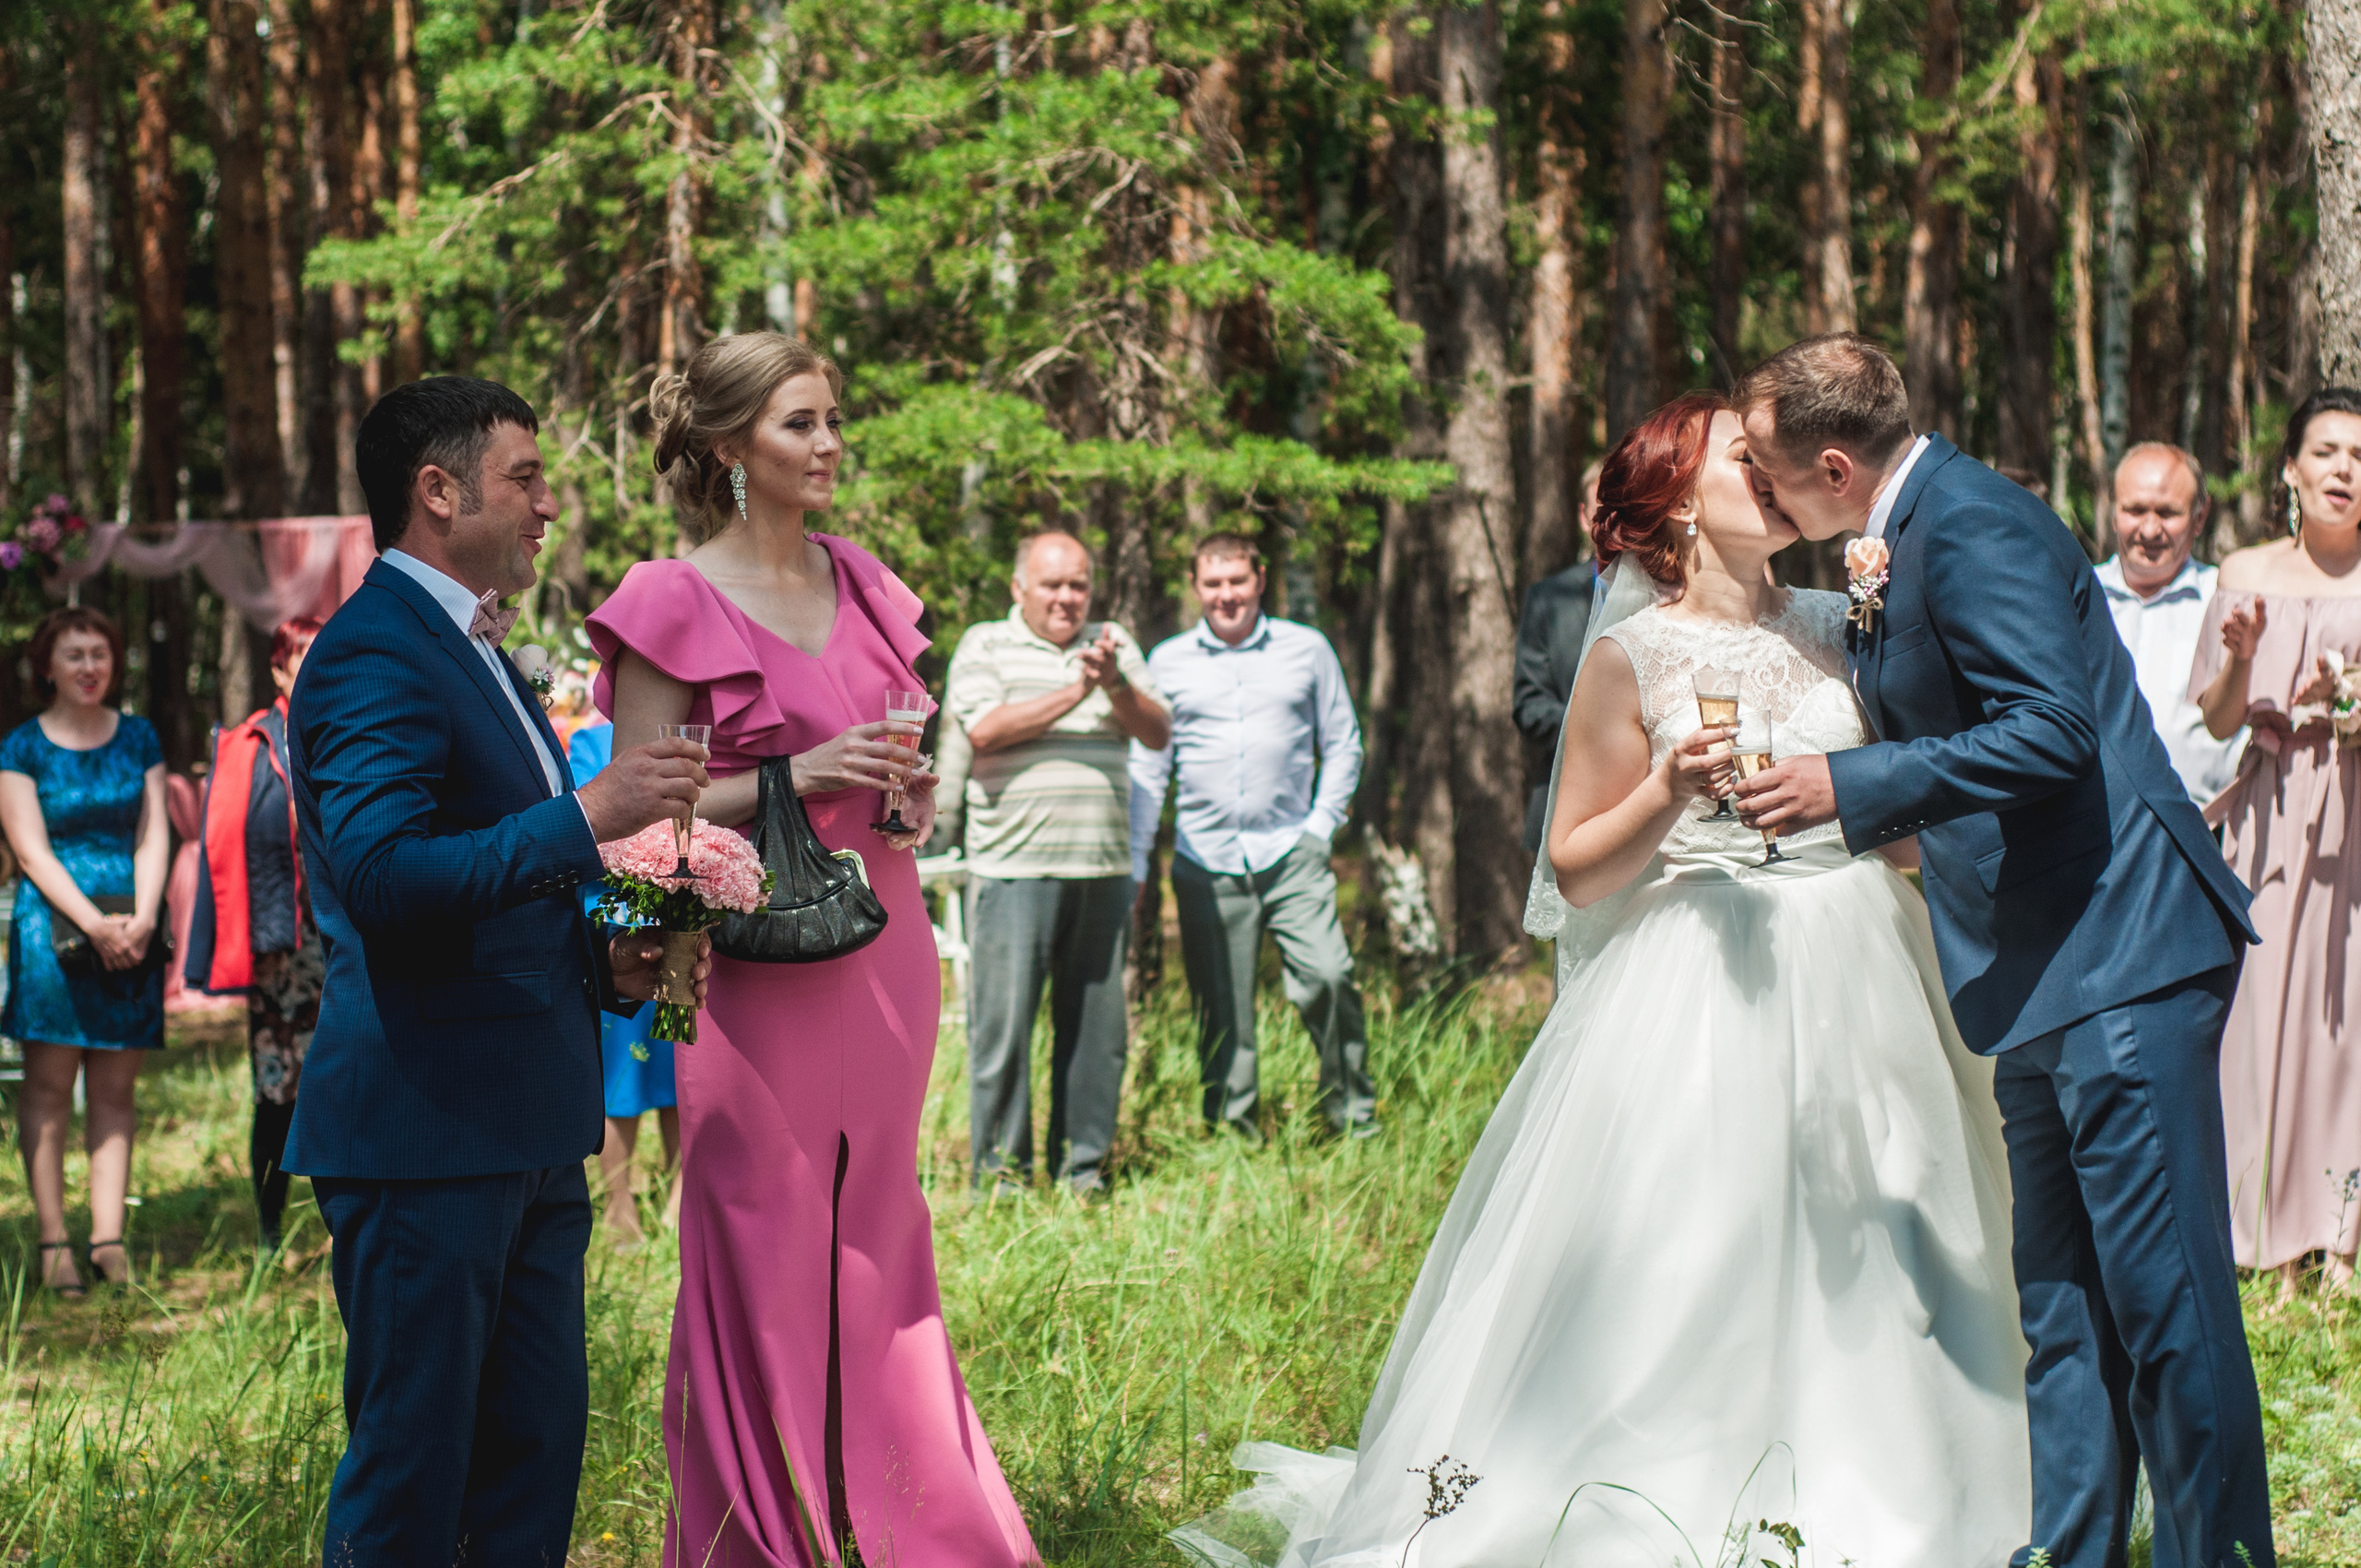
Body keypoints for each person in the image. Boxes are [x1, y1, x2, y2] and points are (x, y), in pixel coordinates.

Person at [1176, 394, 2029, 1568]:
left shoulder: (1847, 620)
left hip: (1866, 956)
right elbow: (1574, 867)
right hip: (1700, 978)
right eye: (1743, 458)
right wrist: (1669, 789)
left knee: (1898, 1222)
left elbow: (1895, 804)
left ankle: (1911, 1486)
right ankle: (1664, 1485)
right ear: (1678, 502)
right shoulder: (1632, 653)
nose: (1773, 472)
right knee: (1688, 1250)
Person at [1733, 334, 2271, 1568]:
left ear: (1828, 464)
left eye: (1765, 471)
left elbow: (2052, 733)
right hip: (2038, 959)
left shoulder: (1972, 523)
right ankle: (2072, 1550)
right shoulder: (1903, 535)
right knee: (2066, 1305)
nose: (1760, 493)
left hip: (2120, 945)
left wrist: (1852, 786)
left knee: (2166, 1305)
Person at [593, 331, 1040, 1568]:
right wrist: (790, 776)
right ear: (734, 446)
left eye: (833, 419)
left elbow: (900, 767)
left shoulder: (866, 579)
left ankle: (908, 1515)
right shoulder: (668, 599)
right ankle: (762, 1527)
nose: (831, 443)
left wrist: (906, 800)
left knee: (881, 1229)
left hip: (884, 950)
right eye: (801, 424)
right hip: (751, 976)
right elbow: (633, 810)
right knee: (759, 1233)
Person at [286, 374, 711, 1567]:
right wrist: (589, 817)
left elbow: (483, 885)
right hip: (425, 1134)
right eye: (524, 477)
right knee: (414, 1483)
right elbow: (383, 881)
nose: (547, 504)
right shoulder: (377, 650)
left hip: (525, 1121)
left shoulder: (472, 645)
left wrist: (605, 955)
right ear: (438, 490)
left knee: (531, 1467)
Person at [2192, 386, 2361, 1297]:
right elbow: (2218, 717)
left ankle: (2338, 1235)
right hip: (2266, 811)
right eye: (2327, 450)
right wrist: (2233, 655)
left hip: (2356, 815)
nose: (2344, 469)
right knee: (2259, 1013)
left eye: (2360, 457)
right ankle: (2259, 1229)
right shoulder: (2245, 568)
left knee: (2347, 1021)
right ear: (2290, 467)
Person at [1129, 533, 1375, 1142]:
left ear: (1260, 578)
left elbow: (1342, 742)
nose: (1226, 594)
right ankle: (1232, 1131)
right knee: (1221, 1005)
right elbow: (1149, 764)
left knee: (1327, 977)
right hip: (1203, 858)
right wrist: (1139, 856)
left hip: (1292, 850)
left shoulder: (1307, 649)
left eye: (1237, 580)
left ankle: (1352, 1117)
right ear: (1196, 588)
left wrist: (1321, 828)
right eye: (1213, 584)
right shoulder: (1166, 662)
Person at [945, 529, 1169, 1194]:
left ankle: (1084, 1173)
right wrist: (1078, 691)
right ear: (1020, 589)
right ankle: (1002, 1181)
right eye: (1052, 584)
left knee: (1096, 1037)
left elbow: (1158, 732)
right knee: (1004, 1033)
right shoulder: (986, 643)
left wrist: (1116, 686)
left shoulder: (1113, 643)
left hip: (1100, 870)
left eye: (1078, 584)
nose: (1068, 598)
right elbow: (984, 729)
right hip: (1013, 870)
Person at [0, 608, 169, 1298]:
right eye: (75, 655)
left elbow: (155, 834)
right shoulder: (22, 747)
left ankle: (107, 1241)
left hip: (134, 932)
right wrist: (95, 923)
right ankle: (51, 1243)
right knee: (46, 1091)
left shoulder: (140, 737)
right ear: (48, 666)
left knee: (115, 1091)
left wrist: (144, 917)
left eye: (100, 652)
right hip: (54, 934)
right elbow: (30, 849)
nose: (90, 666)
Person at [184, 615, 326, 1253]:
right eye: (304, 655)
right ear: (278, 668)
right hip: (282, 944)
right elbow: (223, 838)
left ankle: (339, 1224)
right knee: (278, 1089)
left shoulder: (350, 728)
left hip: (346, 941)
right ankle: (271, 1228)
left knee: (342, 1083)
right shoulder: (251, 740)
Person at [566, 718, 682, 1244]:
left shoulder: (692, 734)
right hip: (617, 923)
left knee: (681, 1060)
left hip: (684, 917)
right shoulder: (590, 742)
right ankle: (619, 1206)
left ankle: (683, 1195)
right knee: (623, 1074)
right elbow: (587, 828)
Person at [2095, 443, 2245, 806]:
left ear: (2199, 517)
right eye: (2135, 510)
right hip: (2092, 834)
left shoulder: (2226, 600)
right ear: (2113, 512)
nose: (2149, 529)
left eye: (2167, 513)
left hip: (2203, 835)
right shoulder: (2077, 597)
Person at [1513, 459, 1604, 852]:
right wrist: (1591, 727)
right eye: (1602, 511)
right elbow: (1528, 704)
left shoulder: (1673, 596)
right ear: (1585, 518)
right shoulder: (1548, 599)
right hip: (1563, 803)